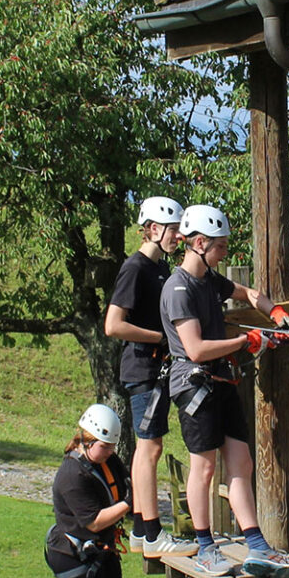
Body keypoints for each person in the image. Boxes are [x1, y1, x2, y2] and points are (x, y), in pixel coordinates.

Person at [158, 204, 289, 578]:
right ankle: (206, 546)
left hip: (220, 381)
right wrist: (247, 339)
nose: (226, 252)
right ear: (200, 243)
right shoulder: (178, 289)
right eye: (221, 246)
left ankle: (257, 546)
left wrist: (274, 312)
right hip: (194, 384)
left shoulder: (209, 279)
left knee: (241, 462)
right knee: (204, 467)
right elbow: (195, 349)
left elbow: (247, 292)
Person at [102, 196, 197, 558]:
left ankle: (143, 531)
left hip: (156, 367)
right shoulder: (135, 268)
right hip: (143, 366)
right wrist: (160, 338)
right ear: (155, 229)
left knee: (148, 447)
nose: (178, 237)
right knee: (149, 447)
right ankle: (154, 534)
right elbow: (114, 325)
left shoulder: (159, 270)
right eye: (174, 231)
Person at [48, 404, 134, 578]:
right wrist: (129, 503)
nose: (110, 452)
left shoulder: (107, 460)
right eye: (105, 447)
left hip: (102, 547)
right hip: (72, 554)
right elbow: (94, 522)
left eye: (113, 447)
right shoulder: (71, 475)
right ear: (87, 441)